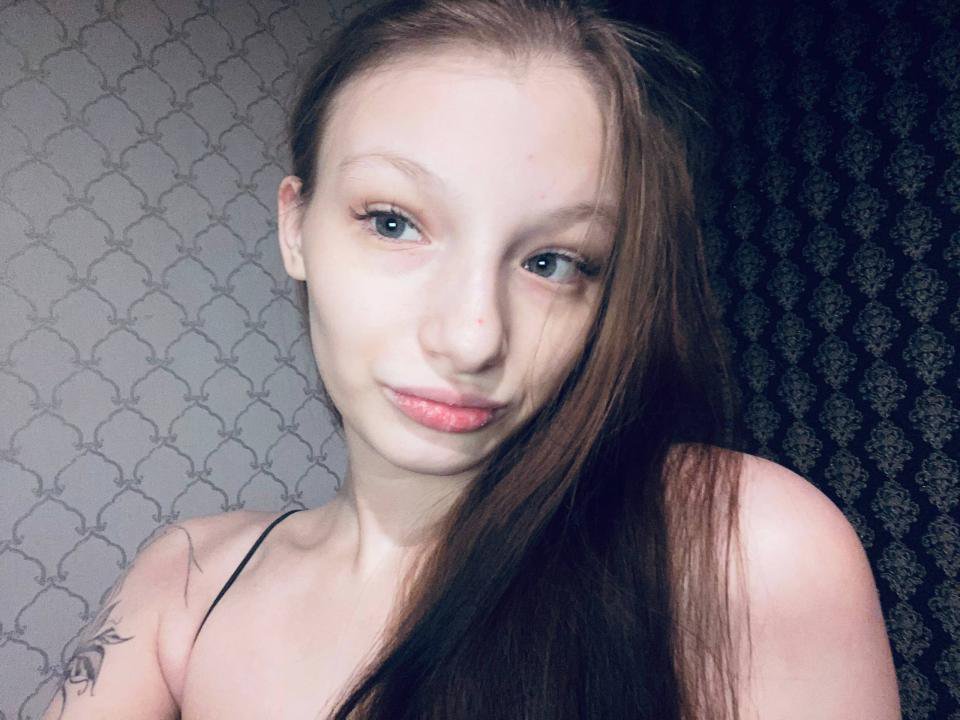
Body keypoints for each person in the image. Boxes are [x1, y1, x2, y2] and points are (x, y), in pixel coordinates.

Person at [42, 1, 901, 718]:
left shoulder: (742, 550)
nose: (472, 338)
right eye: (393, 223)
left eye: (553, 262)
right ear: (295, 227)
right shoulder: (188, 582)